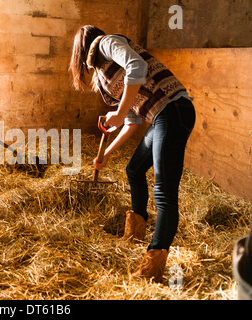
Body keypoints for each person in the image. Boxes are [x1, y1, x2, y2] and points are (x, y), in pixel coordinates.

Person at [69, 25, 196, 282]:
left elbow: (137, 67)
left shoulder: (106, 44)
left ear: (81, 49)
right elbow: (131, 123)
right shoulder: (105, 77)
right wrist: (106, 154)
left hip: (174, 110)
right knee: (134, 169)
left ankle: (152, 268)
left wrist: (119, 112)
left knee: (164, 193)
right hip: (161, 117)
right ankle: (135, 233)